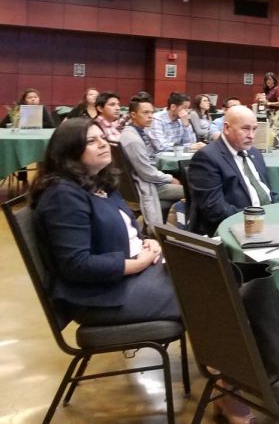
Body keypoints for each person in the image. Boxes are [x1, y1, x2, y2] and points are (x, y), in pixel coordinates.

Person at [30, 118, 179, 325]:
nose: (103, 144)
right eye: (91, 141)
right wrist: (138, 264)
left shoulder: (100, 183)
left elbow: (127, 230)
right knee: (201, 293)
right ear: (69, 152)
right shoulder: (62, 195)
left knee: (208, 277)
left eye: (103, 137)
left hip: (130, 276)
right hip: (100, 297)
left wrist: (148, 241)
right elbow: (77, 264)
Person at [188, 105, 279, 236]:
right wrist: (259, 220)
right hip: (232, 230)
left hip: (264, 225)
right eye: (245, 129)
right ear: (226, 128)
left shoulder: (254, 153)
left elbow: (268, 192)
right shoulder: (207, 158)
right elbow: (215, 211)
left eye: (254, 129)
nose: (251, 136)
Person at [118, 95, 185, 230]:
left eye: (152, 112)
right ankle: (181, 229)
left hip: (145, 183)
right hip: (147, 185)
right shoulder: (133, 140)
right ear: (133, 115)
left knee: (167, 201)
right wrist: (170, 178)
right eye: (145, 113)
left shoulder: (135, 132)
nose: (151, 116)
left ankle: (166, 226)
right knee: (190, 191)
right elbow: (147, 173)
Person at [148, 92, 203, 156]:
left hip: (179, 156)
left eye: (188, 108)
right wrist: (187, 147)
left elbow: (192, 143)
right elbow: (161, 146)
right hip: (159, 158)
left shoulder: (181, 119)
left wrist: (186, 125)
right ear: (173, 107)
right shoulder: (157, 119)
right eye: (184, 108)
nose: (186, 112)